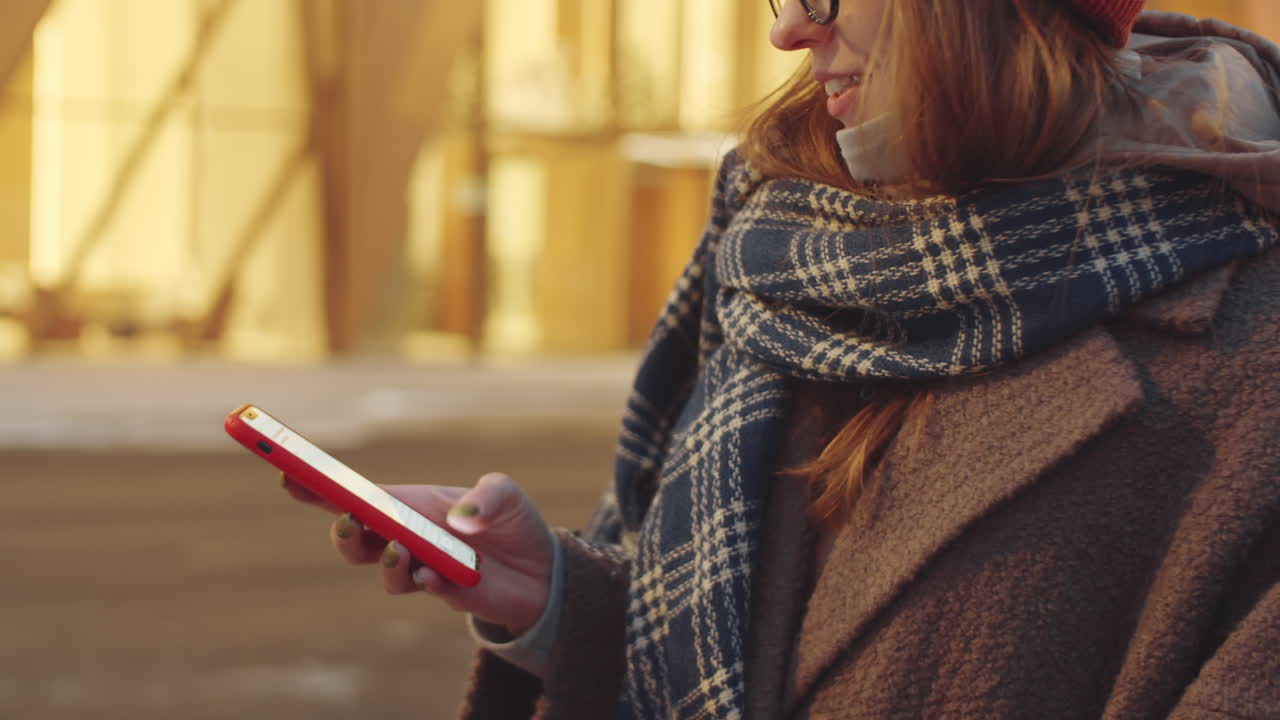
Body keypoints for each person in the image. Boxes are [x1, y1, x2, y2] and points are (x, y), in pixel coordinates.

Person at [285, 1, 1280, 717]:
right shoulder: (792, 262)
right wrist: (555, 603)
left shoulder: (1247, 361)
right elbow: (756, 654)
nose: (787, 31)